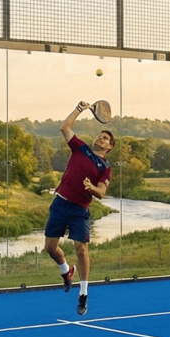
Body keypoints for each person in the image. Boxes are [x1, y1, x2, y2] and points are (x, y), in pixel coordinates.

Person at [43, 101, 115, 315]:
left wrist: (91, 187)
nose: (99, 139)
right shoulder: (80, 148)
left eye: (104, 138)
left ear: (109, 147)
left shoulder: (105, 168)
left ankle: (83, 294)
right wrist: (79, 108)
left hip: (79, 210)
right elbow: (65, 127)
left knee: (81, 250)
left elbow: (101, 193)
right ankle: (66, 271)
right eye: (99, 136)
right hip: (60, 203)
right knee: (50, 248)